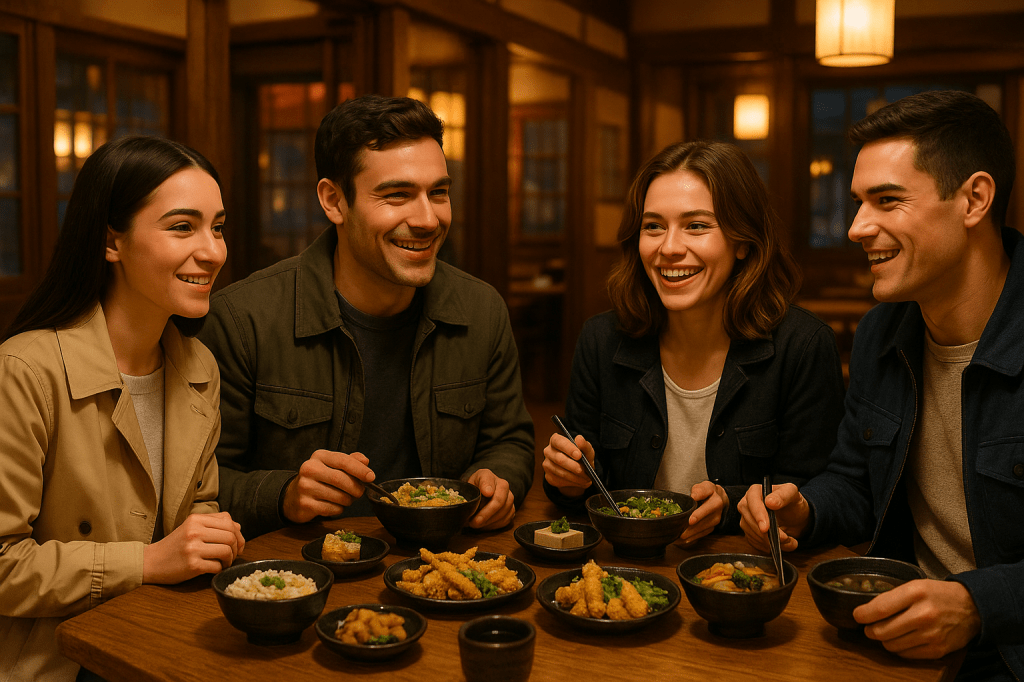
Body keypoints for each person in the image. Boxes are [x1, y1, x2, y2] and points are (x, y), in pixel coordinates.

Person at [738, 90, 1023, 680]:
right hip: (898, 640)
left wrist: (977, 604)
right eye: (857, 203)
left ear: (974, 198)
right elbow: (855, 482)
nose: (855, 228)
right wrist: (805, 510)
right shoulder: (881, 333)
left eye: (886, 202)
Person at [197, 95, 534, 540]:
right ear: (334, 201)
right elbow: (206, 483)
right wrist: (285, 493)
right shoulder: (244, 319)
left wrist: (496, 478)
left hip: (441, 567)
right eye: (397, 196)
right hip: (303, 576)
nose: (428, 219)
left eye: (439, 193)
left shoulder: (481, 310)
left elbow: (510, 439)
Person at [0, 136, 245, 681]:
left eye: (218, 227)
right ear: (112, 242)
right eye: (183, 227)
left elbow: (199, 504)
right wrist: (147, 562)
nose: (212, 251)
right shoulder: (26, 370)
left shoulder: (198, 364)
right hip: (57, 661)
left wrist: (208, 537)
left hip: (162, 644)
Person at [542, 140, 845, 543]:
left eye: (696, 226)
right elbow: (586, 492)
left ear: (743, 241)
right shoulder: (601, 340)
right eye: (653, 226)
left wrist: (730, 504)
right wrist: (569, 481)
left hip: (743, 580)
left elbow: (818, 494)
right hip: (626, 571)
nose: (669, 248)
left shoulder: (802, 346)